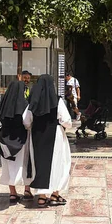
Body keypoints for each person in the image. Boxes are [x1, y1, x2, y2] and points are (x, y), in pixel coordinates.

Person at [23, 74, 72, 207]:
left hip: (37, 135)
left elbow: (26, 121)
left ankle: (42, 197)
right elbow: (67, 121)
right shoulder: (57, 100)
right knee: (59, 163)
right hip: (55, 135)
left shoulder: (33, 101)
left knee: (39, 163)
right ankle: (55, 195)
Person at [0, 81, 33, 204]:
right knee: (25, 164)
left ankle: (12, 193)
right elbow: (27, 122)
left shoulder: (1, 105)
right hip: (21, 139)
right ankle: (27, 190)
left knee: (8, 165)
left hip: (5, 140)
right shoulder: (25, 105)